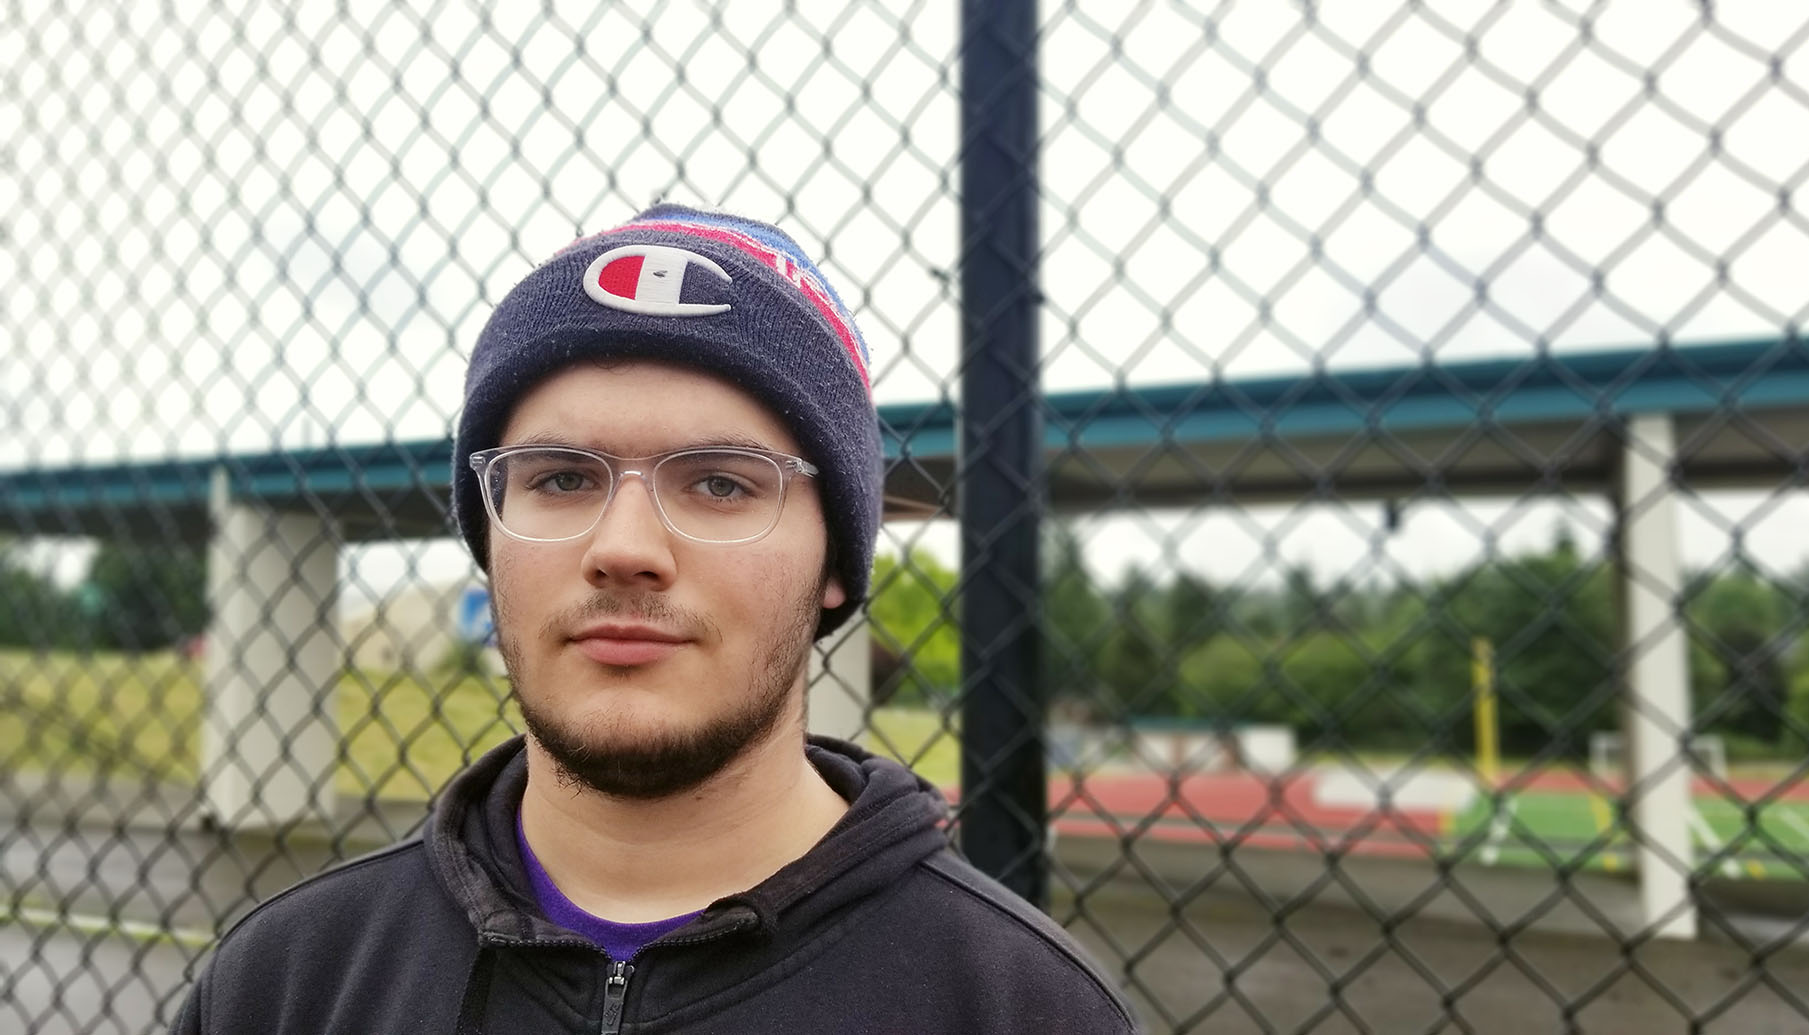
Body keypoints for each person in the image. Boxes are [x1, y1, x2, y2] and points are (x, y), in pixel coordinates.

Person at [173, 204, 1139, 1034]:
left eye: (721, 482)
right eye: (561, 477)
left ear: (837, 564)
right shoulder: (283, 983)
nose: (624, 546)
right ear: (490, 537)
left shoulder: (1024, 1007)